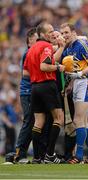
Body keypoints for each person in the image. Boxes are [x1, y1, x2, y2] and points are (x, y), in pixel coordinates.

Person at [24, 22, 65, 164]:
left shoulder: (31, 49)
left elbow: (26, 72)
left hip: (35, 88)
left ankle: (36, 157)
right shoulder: (46, 46)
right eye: (50, 31)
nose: (53, 33)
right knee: (59, 118)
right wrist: (58, 67)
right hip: (47, 85)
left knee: (38, 122)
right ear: (42, 34)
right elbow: (44, 66)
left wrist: (60, 48)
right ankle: (49, 154)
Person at [60, 23, 88, 164]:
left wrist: (80, 73)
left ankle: (79, 155)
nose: (64, 35)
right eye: (62, 33)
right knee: (84, 122)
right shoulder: (67, 48)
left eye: (66, 32)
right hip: (77, 83)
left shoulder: (81, 44)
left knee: (78, 120)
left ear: (74, 32)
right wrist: (70, 83)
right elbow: (69, 70)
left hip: (86, 81)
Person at [14, 27, 38, 164]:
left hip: (33, 91)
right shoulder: (28, 53)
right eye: (36, 39)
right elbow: (25, 74)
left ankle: (30, 153)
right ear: (29, 41)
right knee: (29, 120)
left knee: (34, 122)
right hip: (27, 91)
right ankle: (19, 153)